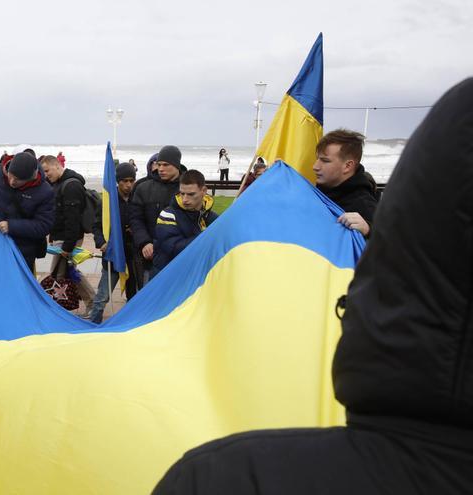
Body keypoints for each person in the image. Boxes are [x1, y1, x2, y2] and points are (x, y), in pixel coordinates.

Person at [152, 77, 473, 495]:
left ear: (349, 166)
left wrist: (372, 229)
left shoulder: (227, 476)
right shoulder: (310, 197)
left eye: (325, 159)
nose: (316, 164)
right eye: (315, 157)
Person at [40, 155, 95, 312]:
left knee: (61, 274)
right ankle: (92, 303)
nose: (45, 175)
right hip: (60, 237)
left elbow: (73, 219)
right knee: (66, 272)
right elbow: (57, 213)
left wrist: (68, 246)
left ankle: (92, 303)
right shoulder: (57, 183)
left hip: (68, 238)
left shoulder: (71, 186)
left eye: (47, 170)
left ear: (57, 166)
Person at [89, 162, 138, 324]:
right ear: (118, 181)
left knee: (134, 295)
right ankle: (93, 324)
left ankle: (132, 325)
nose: (128, 185)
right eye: (124, 181)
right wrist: (101, 242)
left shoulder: (137, 199)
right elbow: (96, 225)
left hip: (132, 254)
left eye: (131, 181)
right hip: (113, 254)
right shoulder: (108, 201)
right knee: (102, 296)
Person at [129, 145, 185, 286]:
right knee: (149, 300)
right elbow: (136, 219)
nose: (160, 169)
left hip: (180, 256)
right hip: (151, 257)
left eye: (166, 165)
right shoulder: (143, 188)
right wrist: (144, 242)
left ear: (176, 165)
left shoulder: (187, 188)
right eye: (159, 164)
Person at [313, 129, 378, 237]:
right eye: (317, 159)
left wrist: (368, 231)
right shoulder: (317, 192)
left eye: (325, 161)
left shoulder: (364, 205)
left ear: (347, 166)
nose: (315, 167)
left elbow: (392, 245)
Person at [152, 169, 218, 276]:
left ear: (204, 191)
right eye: (182, 193)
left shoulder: (212, 217)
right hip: (168, 278)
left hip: (197, 276)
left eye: (191, 194)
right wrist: (206, 236)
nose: (185, 200)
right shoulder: (168, 215)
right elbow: (174, 249)